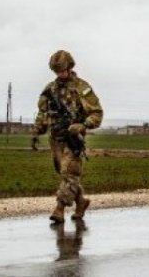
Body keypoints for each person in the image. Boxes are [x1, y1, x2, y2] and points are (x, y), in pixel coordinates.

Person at [32, 50, 103, 223]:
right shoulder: (50, 90)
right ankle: (80, 202)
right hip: (55, 139)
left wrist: (83, 125)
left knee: (70, 174)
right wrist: (36, 132)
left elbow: (96, 113)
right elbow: (43, 114)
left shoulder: (82, 88)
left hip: (73, 140)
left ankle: (59, 209)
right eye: (57, 71)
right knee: (64, 174)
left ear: (70, 67)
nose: (60, 74)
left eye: (63, 70)